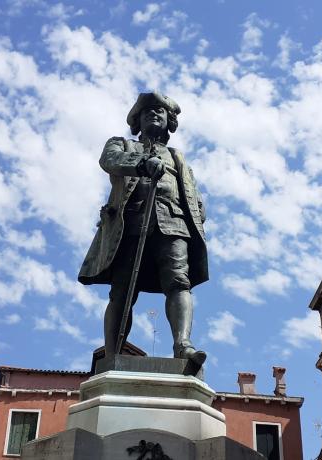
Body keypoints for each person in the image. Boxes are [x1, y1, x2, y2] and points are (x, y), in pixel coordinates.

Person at [79, 92, 208, 365]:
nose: (154, 113)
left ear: (169, 120)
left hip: (173, 224)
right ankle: (114, 354)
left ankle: (183, 345)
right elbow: (109, 161)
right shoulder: (121, 144)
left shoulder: (177, 157)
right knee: (122, 291)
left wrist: (199, 207)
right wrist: (141, 164)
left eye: (160, 110)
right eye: (147, 110)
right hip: (131, 224)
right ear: (137, 119)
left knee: (179, 282)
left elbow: (190, 192)